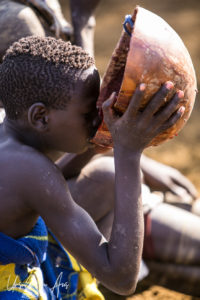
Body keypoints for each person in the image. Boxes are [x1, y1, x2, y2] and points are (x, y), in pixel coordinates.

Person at [0, 36, 184, 298]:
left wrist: (97, 143)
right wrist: (129, 154)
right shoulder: (33, 172)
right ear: (40, 117)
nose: (99, 119)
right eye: (89, 114)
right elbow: (120, 277)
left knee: (105, 177)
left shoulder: (10, 141)